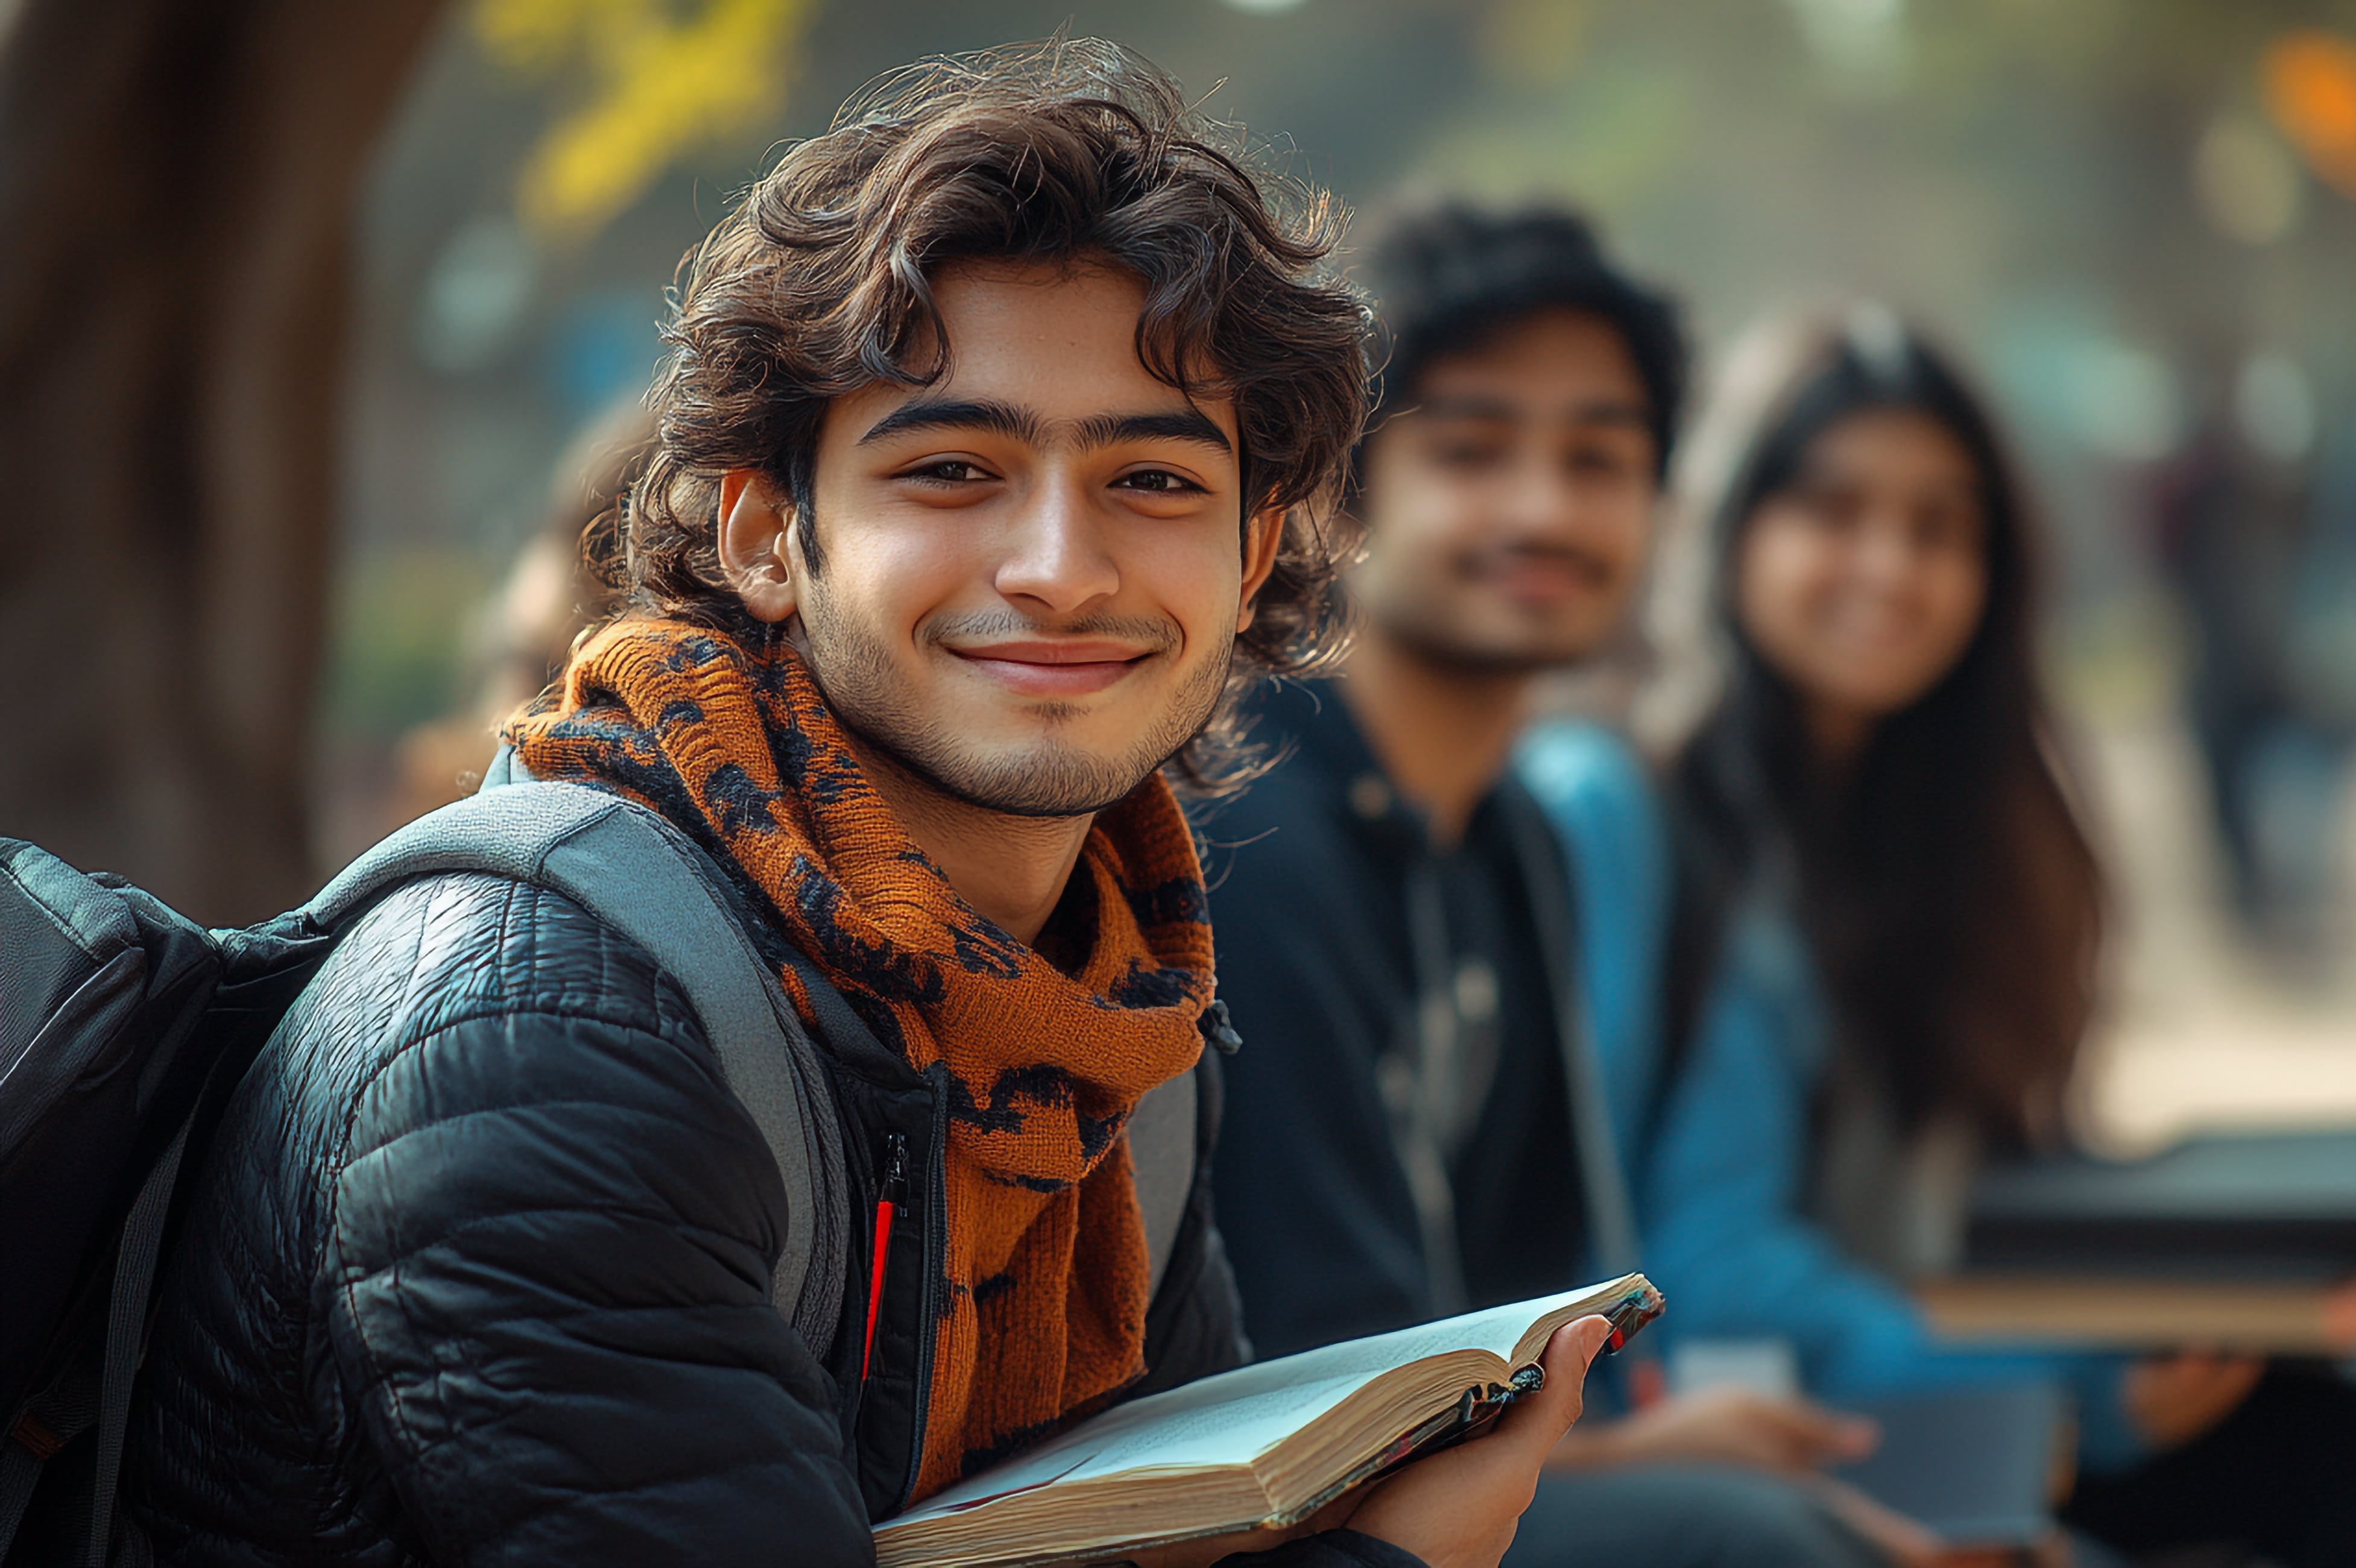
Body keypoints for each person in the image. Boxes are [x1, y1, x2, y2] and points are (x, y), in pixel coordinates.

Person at [123, 43, 1607, 1568]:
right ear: (772, 538)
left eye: (1153, 480)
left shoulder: (1114, 1028)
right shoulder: (549, 1037)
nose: (1058, 567)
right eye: (956, 467)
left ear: (1248, 558)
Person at [1529, 308, 2356, 1568]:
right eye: (1834, 510)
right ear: (1729, 526)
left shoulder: (1959, 824)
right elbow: (1719, 1270)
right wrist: (2083, 1374)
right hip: (1808, 1407)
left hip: (1970, 1360)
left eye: (1940, 526)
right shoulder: (1656, 821)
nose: (1890, 565)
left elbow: (2017, 1190)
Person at [1202, 204, 1907, 1568]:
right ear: (1348, 484)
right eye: (1471, 451)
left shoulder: (1518, 834)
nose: (1543, 508)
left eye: (1599, 458)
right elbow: (1330, 1390)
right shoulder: (1256, 824)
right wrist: (1639, 1459)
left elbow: (1541, 1298)